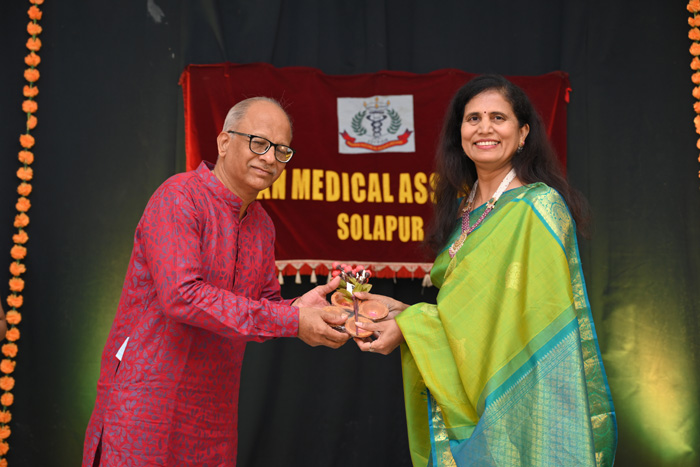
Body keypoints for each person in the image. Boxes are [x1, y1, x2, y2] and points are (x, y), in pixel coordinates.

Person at [353, 75, 617, 466]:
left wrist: (411, 326)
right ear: (459, 132)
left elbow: (533, 321)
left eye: (498, 117)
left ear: (522, 133)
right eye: (473, 118)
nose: (485, 128)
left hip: (523, 391)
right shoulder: (463, 208)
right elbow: (468, 312)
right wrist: (403, 315)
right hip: (472, 391)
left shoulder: (539, 207)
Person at [82, 97, 350, 466]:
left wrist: (300, 308)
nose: (270, 158)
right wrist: (291, 319)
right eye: (259, 143)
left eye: (282, 150)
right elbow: (182, 296)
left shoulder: (262, 225)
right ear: (224, 142)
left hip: (213, 414)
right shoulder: (179, 197)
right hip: (147, 402)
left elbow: (266, 308)